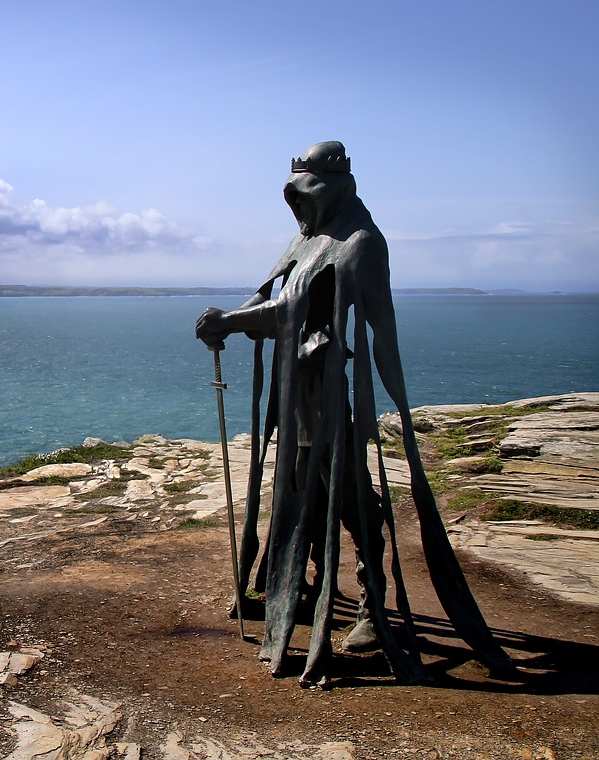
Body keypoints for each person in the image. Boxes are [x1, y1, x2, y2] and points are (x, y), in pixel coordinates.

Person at [195, 141, 511, 687]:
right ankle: (296, 585)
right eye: (293, 193)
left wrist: (232, 320)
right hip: (292, 395)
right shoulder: (308, 239)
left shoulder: (361, 242)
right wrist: (234, 318)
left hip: (323, 396)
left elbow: (298, 311)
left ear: (336, 186)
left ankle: (373, 602)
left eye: (306, 190)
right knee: (300, 492)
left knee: (347, 497)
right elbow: (279, 294)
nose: (297, 204)